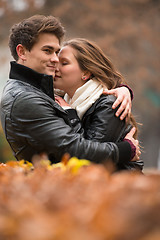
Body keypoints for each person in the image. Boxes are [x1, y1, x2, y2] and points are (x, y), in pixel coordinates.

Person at [0, 14, 140, 166]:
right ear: (22, 52)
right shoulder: (25, 98)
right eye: (47, 51)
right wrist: (127, 149)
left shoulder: (39, 90)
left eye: (57, 53)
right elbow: (76, 150)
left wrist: (121, 88)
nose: (55, 60)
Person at [54, 38, 143, 170]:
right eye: (57, 61)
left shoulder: (109, 105)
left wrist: (71, 115)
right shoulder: (62, 101)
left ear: (86, 73)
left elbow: (89, 158)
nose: (55, 67)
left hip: (117, 185)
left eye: (64, 63)